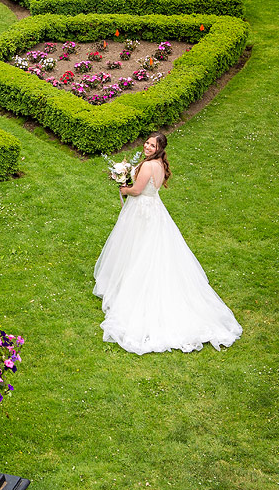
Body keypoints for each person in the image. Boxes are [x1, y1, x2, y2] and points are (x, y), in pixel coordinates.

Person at [93, 133, 242, 355]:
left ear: (159, 148)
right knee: (151, 249)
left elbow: (137, 191)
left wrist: (124, 188)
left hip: (142, 211)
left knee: (137, 248)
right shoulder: (160, 164)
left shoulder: (147, 166)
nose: (147, 146)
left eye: (152, 145)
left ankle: (132, 285)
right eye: (147, 143)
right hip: (155, 209)